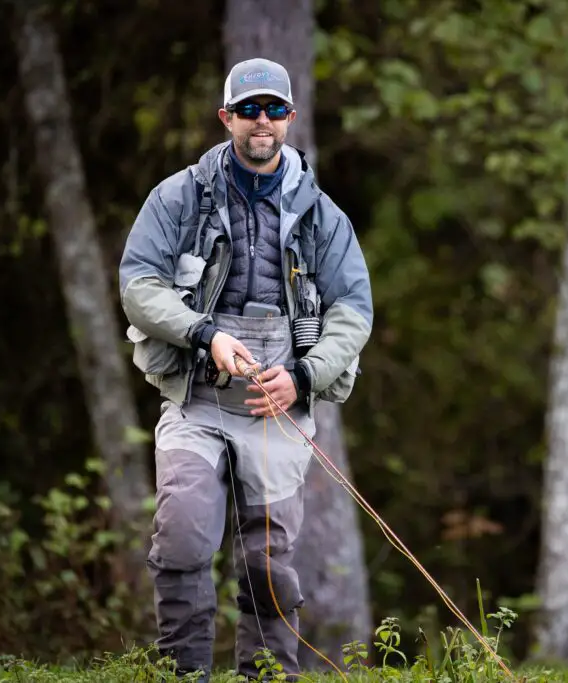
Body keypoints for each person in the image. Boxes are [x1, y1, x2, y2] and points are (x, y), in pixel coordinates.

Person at [118, 57, 372, 681]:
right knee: (180, 539)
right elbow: (138, 284)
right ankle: (186, 675)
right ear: (226, 116)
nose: (263, 122)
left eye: (275, 110)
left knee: (268, 563)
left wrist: (304, 377)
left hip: (277, 412)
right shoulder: (177, 196)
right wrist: (205, 334)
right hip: (196, 401)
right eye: (250, 109)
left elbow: (353, 310)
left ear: (291, 117)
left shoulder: (324, 216)